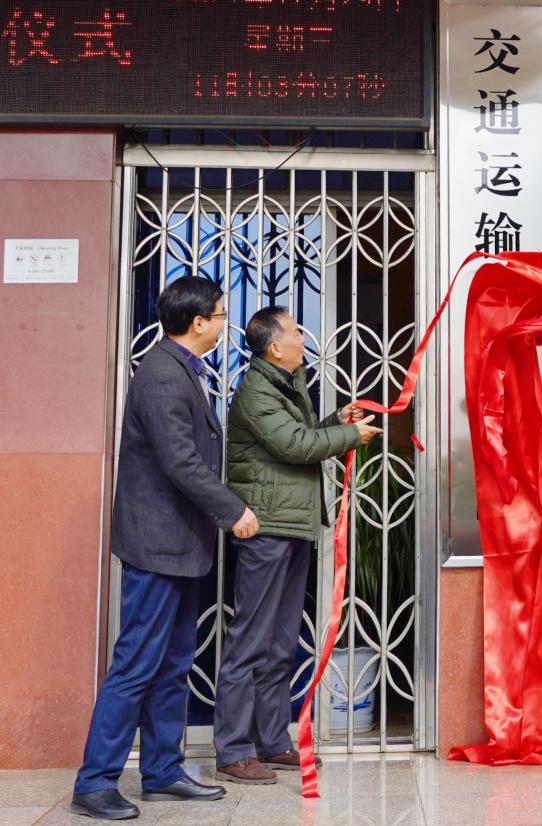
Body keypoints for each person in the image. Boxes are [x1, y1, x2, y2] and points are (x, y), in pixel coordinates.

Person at [71, 277, 259, 821]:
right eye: (220, 316)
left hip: (179, 544)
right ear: (197, 323)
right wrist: (233, 510)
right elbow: (181, 461)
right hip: (157, 544)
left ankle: (162, 771)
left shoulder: (182, 370)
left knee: (174, 663)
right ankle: (95, 781)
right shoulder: (160, 373)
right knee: (136, 663)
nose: (224, 325)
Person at [214, 307, 382, 784]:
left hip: (291, 525)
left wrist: (336, 420)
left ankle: (272, 741)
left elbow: (301, 437)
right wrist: (349, 434)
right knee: (251, 639)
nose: (302, 339)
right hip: (266, 528)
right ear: (274, 348)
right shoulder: (257, 391)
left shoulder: (286, 385)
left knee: (281, 640)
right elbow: (294, 446)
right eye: (294, 332)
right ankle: (233, 749)